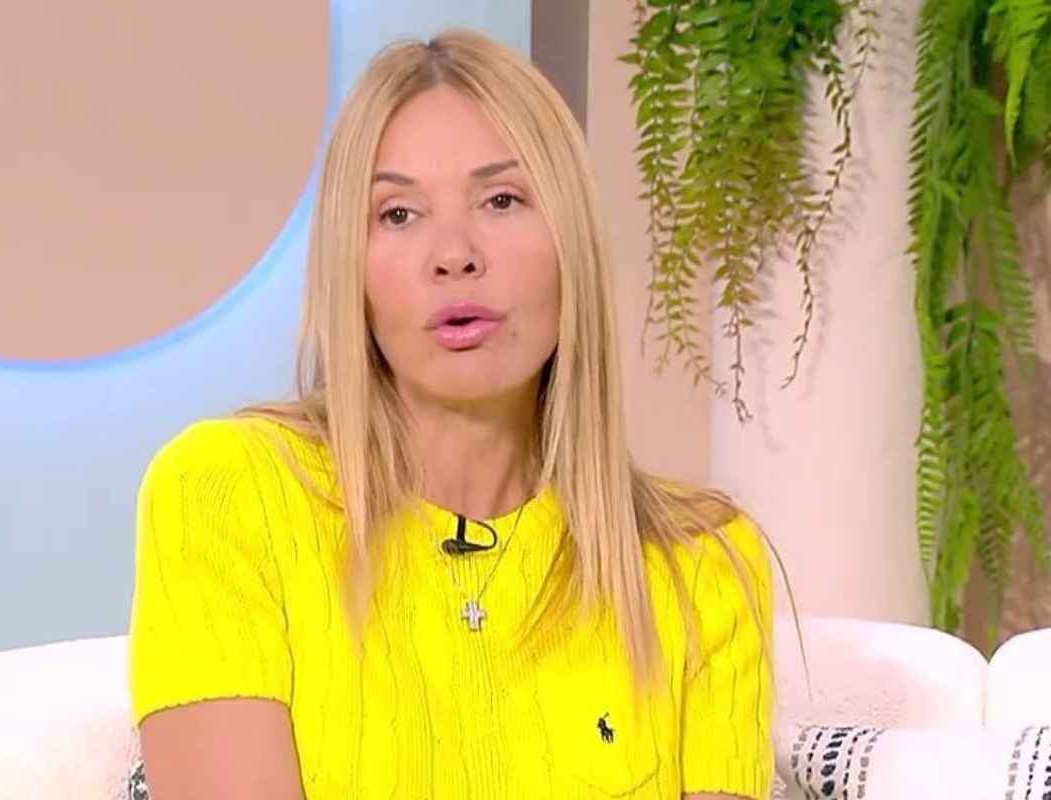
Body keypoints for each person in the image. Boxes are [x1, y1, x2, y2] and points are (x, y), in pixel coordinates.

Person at [127, 28, 774, 800]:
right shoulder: (229, 493)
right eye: (399, 214)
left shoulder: (700, 565)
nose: (455, 254)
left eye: (502, 200)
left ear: (571, 240)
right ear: (350, 265)